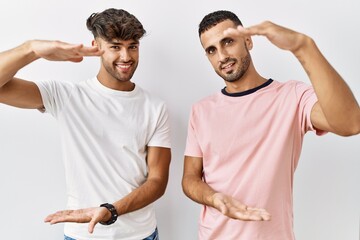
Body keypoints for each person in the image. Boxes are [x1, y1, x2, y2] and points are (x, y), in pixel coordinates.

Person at [182, 10, 360, 240]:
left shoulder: (292, 96)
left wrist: (303, 47)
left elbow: (351, 123)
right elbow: (190, 179)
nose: (222, 56)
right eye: (211, 50)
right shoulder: (201, 110)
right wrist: (213, 198)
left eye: (228, 42)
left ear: (248, 41)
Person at [0, 8, 171, 240]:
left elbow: (157, 181)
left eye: (132, 46)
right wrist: (31, 49)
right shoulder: (66, 96)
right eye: (115, 46)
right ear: (96, 46)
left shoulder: (154, 107)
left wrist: (111, 210)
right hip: (83, 235)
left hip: (140, 234)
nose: (126, 56)